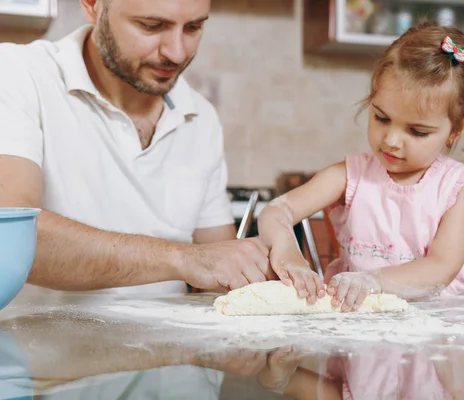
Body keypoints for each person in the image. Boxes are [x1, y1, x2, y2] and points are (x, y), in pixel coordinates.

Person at [0, 0, 272, 299]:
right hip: (34, 345)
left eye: (193, 27)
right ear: (92, 6)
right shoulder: (17, 74)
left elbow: (222, 272)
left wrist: (278, 270)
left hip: (170, 345)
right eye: (151, 26)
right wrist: (183, 258)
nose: (177, 52)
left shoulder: (199, 115)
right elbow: (9, 240)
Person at [258, 20, 464, 309]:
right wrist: (288, 251)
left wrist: (374, 281)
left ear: (456, 130)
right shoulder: (349, 176)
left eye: (417, 131)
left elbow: (441, 267)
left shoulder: (461, 186)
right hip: (367, 321)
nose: (391, 140)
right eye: (381, 118)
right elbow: (277, 211)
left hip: (446, 319)